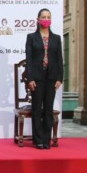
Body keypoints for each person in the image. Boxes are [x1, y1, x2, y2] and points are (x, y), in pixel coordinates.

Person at [24, 8, 63, 149]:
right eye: (43, 17)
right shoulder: (31, 37)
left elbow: (59, 59)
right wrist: (30, 79)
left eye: (48, 17)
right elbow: (29, 60)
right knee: (37, 109)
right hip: (37, 78)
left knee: (48, 109)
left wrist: (60, 77)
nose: (46, 19)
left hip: (52, 78)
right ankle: (38, 140)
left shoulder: (57, 38)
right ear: (38, 19)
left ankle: (46, 140)